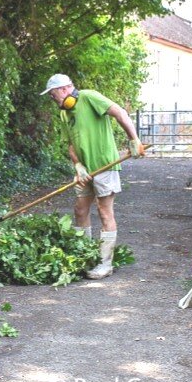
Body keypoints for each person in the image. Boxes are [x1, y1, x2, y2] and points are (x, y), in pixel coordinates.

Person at [40, 74, 145, 279]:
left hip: (105, 165)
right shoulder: (64, 114)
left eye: (53, 95)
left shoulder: (89, 97)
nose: (53, 99)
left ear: (65, 89)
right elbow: (70, 144)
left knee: (104, 211)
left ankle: (105, 264)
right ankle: (85, 255)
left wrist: (134, 139)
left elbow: (120, 113)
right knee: (80, 209)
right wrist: (78, 164)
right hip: (85, 172)